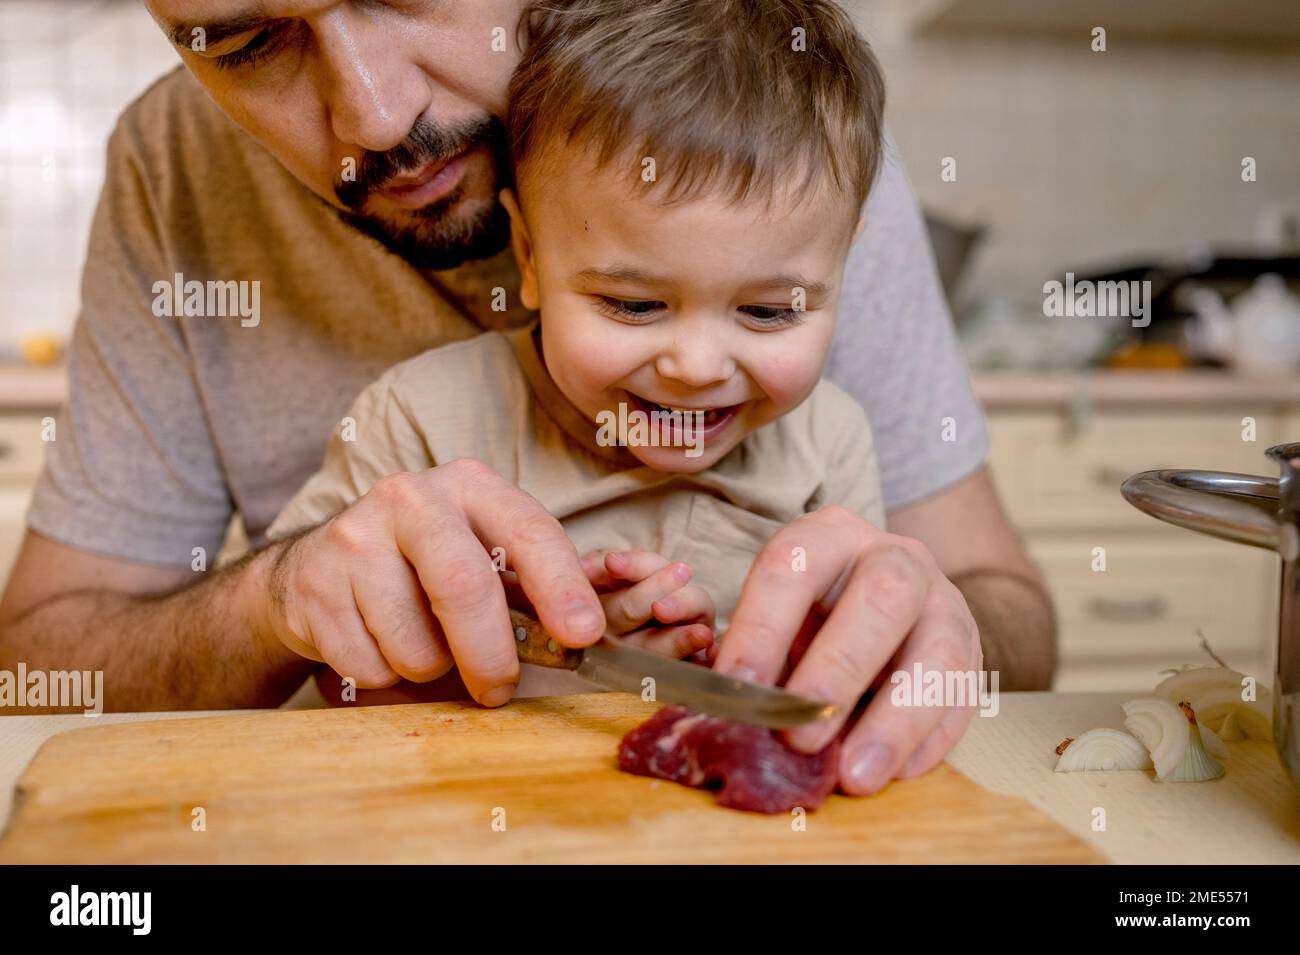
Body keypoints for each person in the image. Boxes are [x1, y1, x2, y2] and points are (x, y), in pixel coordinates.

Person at [0, 0, 1055, 797]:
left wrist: (930, 631)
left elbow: (1008, 612)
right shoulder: (175, 164)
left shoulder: (766, 111)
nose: (374, 112)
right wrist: (275, 603)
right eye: (243, 44)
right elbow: (34, 674)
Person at [267, 0, 888, 707]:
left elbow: (857, 672)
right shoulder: (418, 420)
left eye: (769, 311)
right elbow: (328, 678)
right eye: (633, 305)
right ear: (528, 257)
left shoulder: (831, 443)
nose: (697, 366)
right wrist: (541, 673)